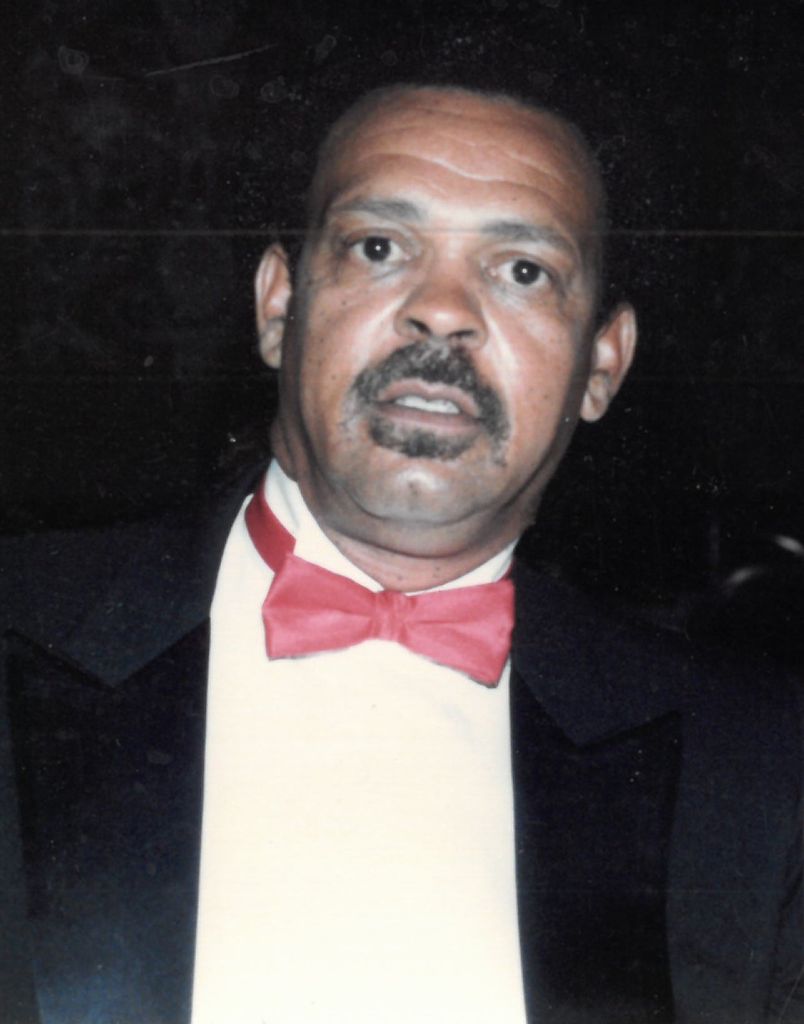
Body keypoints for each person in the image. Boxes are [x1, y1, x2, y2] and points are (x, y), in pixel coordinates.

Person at [1, 84, 801, 1024]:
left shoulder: (758, 772)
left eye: (523, 270)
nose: (443, 311)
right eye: (379, 248)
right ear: (278, 305)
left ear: (602, 364)